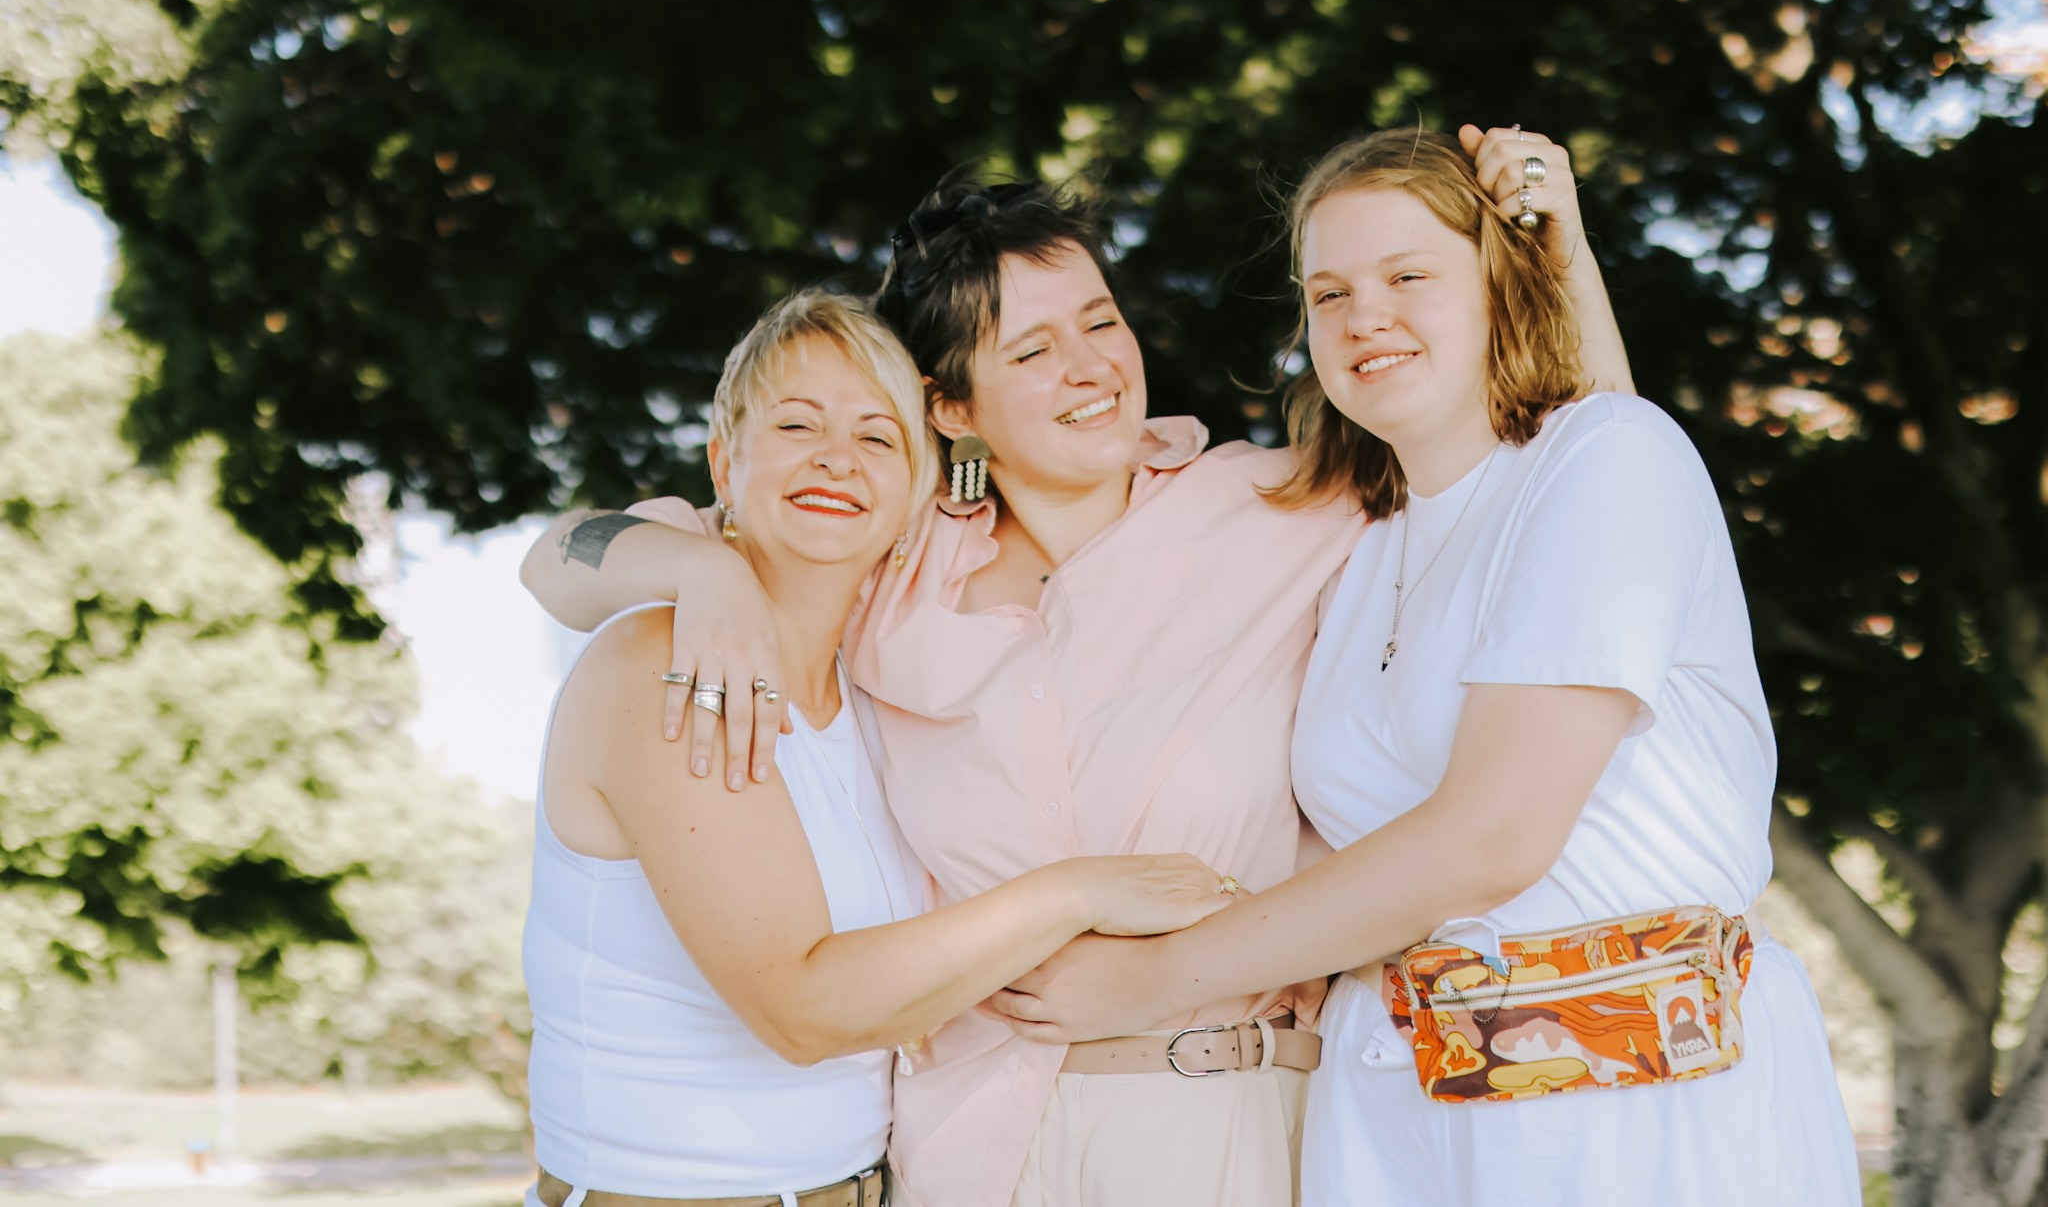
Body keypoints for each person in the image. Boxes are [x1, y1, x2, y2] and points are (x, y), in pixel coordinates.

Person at [520, 125, 1632, 1207]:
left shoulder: (1281, 504)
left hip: (1216, 1117)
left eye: (1098, 322)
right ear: (950, 408)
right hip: (959, 1147)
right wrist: (702, 578)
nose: (1089, 366)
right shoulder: (887, 565)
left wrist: (1556, 251)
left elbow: (1572, 467)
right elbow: (560, 561)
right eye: (1031, 350)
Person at [987, 129, 1861, 1205]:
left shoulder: (1611, 460)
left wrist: (1149, 981)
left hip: (1626, 1110)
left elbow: (1490, 837)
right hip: (1395, 1114)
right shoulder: (1358, 549)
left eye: (1408, 275)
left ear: (1499, 284)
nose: (1364, 317)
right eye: (1327, 291)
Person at [520, 289, 1232, 1207]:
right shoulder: (659, 660)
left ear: (919, 490)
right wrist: (1080, 889)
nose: (835, 459)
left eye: (876, 437)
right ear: (723, 463)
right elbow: (804, 1010)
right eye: (797, 423)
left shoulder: (868, 692)